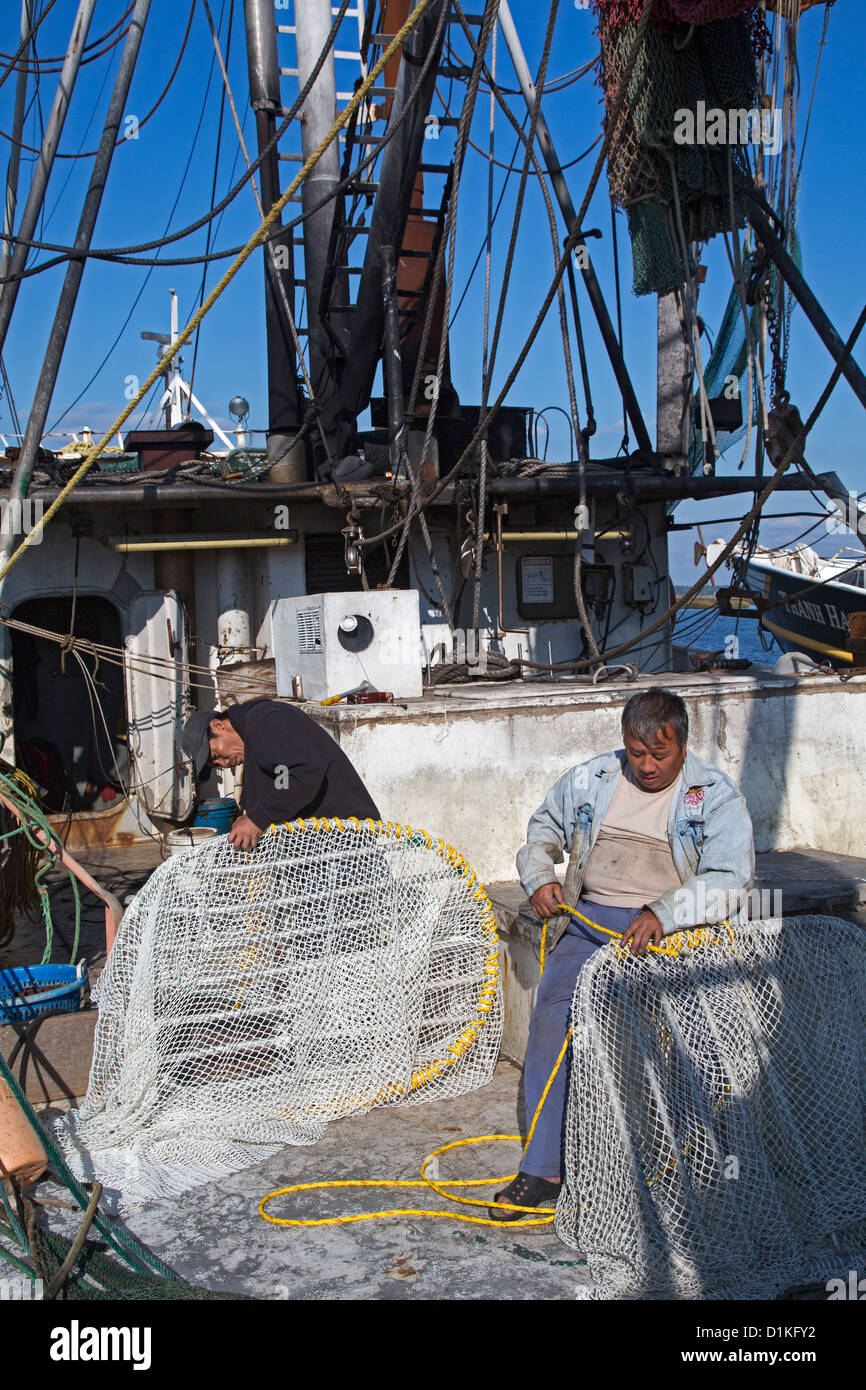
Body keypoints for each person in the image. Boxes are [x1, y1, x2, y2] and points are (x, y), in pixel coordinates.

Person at [491, 686, 754, 1220]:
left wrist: (663, 913)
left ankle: (703, 1166)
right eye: (638, 754)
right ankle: (543, 1169)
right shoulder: (594, 778)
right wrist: (540, 876)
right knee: (551, 1019)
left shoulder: (716, 795)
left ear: (683, 746)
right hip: (589, 926)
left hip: (671, 935)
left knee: (697, 1040)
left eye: (661, 755)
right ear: (624, 744)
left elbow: (731, 878)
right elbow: (544, 828)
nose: (649, 766)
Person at [181, 697, 381, 850]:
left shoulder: (266, 721)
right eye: (215, 765)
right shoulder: (252, 738)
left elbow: (301, 772)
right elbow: (282, 777)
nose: (223, 764)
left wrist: (258, 817)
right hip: (316, 843)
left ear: (219, 726)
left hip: (345, 839)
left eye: (216, 755)